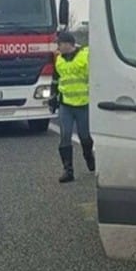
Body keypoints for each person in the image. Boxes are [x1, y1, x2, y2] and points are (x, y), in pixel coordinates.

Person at [54, 30, 94, 183]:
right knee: (65, 136)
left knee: (85, 136)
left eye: (59, 44)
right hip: (66, 104)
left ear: (67, 44)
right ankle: (68, 170)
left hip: (83, 103)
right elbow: (56, 79)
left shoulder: (85, 55)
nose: (58, 47)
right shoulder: (59, 60)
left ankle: (88, 155)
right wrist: (52, 97)